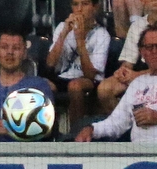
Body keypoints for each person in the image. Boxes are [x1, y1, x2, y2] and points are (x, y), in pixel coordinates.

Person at [76, 25, 157, 142]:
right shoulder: (137, 84)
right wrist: (92, 129)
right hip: (140, 154)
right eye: (148, 47)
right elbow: (116, 122)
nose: (154, 51)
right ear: (142, 52)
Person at [96, 0, 157, 116]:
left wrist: (137, 75)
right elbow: (128, 62)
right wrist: (123, 72)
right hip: (141, 74)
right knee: (104, 89)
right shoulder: (138, 25)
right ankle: (127, 126)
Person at [0, 30, 54, 142]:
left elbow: (48, 130)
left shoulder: (39, 86)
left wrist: (14, 130)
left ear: (25, 53)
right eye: (4, 47)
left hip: (25, 154)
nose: (10, 52)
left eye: (16, 48)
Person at [45, 0, 109, 130]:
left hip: (90, 80)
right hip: (63, 76)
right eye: (75, 4)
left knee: (75, 86)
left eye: (84, 4)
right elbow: (50, 64)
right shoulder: (62, 27)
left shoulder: (102, 34)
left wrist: (80, 40)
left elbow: (90, 74)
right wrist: (63, 34)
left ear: (94, 7)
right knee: (41, 84)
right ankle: (49, 133)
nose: (79, 9)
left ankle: (75, 132)